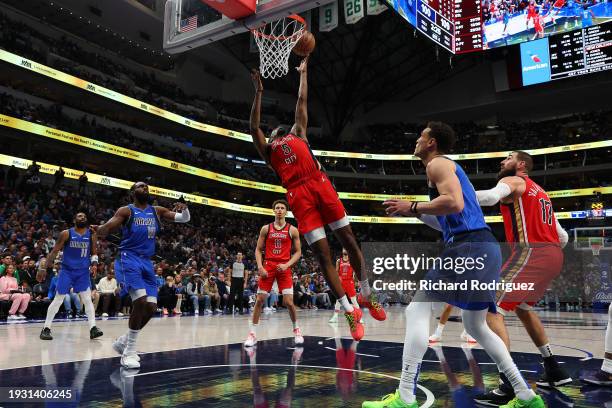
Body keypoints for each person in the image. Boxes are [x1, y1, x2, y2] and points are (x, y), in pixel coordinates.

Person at [364, 122, 544, 408]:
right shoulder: (448, 169)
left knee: (417, 308)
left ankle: (406, 396)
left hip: (468, 246)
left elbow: (455, 204)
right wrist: (416, 214)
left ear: (432, 142)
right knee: (475, 325)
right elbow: (449, 217)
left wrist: (412, 206)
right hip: (484, 246)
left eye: (421, 137)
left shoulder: (436, 164)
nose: (416, 141)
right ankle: (525, 395)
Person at [249, 59, 385, 341]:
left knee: (349, 239)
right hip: (298, 195)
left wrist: (304, 74)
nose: (278, 132)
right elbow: (254, 129)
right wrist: (259, 93)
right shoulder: (269, 151)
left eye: (279, 130)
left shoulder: (298, 133)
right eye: (275, 132)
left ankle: (367, 294)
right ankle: (349, 310)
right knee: (324, 257)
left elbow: (302, 100)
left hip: (319, 184)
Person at [473, 151, 571, 405]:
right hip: (552, 255)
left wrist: (455, 195)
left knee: (489, 307)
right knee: (524, 309)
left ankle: (508, 383)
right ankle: (553, 368)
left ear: (521, 164)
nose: (502, 162)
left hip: (532, 252)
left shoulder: (516, 181)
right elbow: (563, 237)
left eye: (508, 158)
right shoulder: (541, 192)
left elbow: (491, 196)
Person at [93, 181, 190, 369]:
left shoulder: (157, 210)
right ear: (133, 192)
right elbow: (108, 227)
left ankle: (124, 341)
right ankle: (129, 351)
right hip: (128, 258)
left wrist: (185, 209)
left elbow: (183, 219)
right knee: (141, 301)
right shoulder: (126, 211)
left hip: (146, 261)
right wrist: (101, 229)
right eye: (140, 186)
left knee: (152, 307)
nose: (144, 188)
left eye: (146, 186)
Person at [245, 200, 304, 347]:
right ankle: (252, 334)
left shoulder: (293, 230)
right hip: (268, 265)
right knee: (259, 300)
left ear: (286, 212)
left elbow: (298, 252)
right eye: (277, 207)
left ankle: (296, 329)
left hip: (284, 266)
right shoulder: (266, 228)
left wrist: (287, 265)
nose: (279, 210)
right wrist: (260, 266)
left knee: (288, 302)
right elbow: (258, 249)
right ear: (273, 210)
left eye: (282, 208)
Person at [40, 212, 102, 340]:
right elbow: (54, 251)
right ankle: (46, 328)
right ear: (74, 220)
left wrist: (94, 264)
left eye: (84, 216)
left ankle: (93, 328)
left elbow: (94, 252)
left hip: (83, 271)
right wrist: (43, 267)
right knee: (59, 299)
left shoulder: (91, 234)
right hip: (67, 271)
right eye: (79, 216)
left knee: (87, 299)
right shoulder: (66, 233)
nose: (82, 217)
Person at [329, 249, 360, 324]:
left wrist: (357, 281)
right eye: (343, 249)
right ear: (342, 251)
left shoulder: (352, 260)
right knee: (338, 300)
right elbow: (336, 272)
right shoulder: (339, 261)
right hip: (341, 282)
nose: (345, 250)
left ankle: (359, 317)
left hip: (350, 282)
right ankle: (335, 316)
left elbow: (356, 272)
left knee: (354, 300)